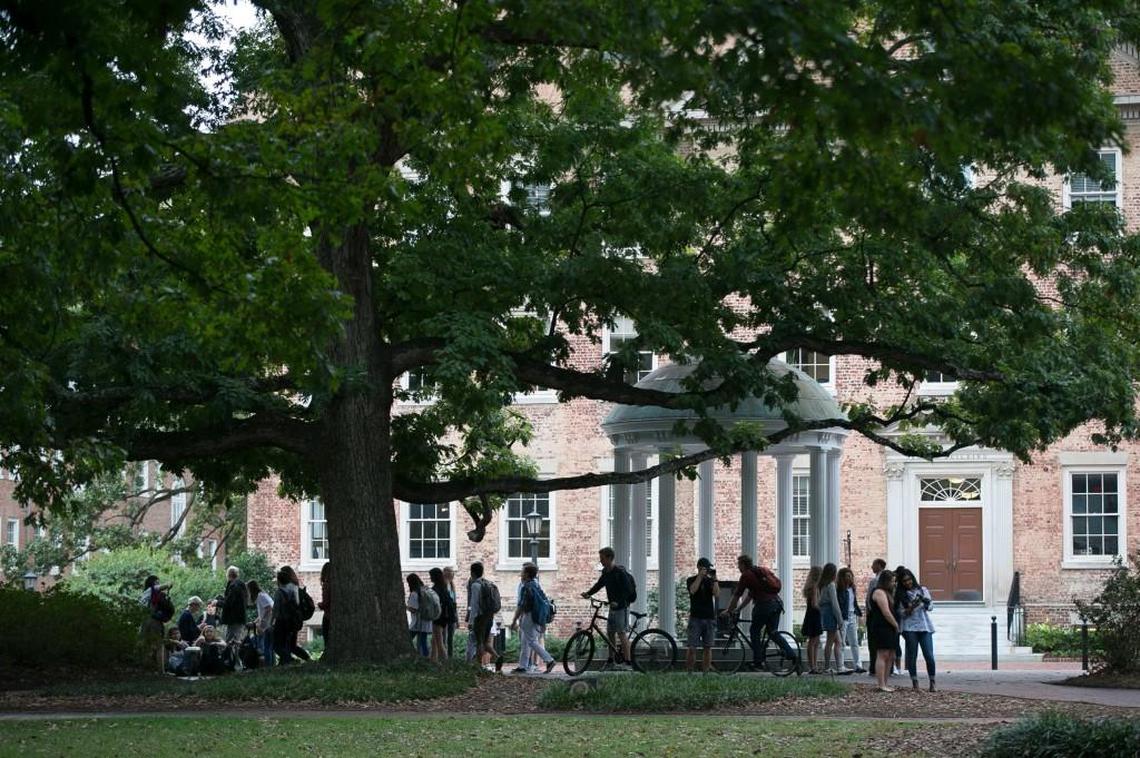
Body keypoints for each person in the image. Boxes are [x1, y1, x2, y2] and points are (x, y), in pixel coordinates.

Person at [722, 554, 796, 670]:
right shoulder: (758, 572)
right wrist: (739, 609)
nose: (738, 567)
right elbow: (750, 596)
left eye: (739, 565)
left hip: (764, 606)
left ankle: (758, 662)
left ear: (743, 564)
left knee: (754, 631)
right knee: (773, 633)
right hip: (777, 604)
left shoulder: (746, 576)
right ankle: (792, 656)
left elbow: (737, 595)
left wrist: (728, 610)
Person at [581, 546, 635, 666]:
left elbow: (628, 590)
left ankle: (628, 661)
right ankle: (611, 659)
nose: (601, 561)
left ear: (610, 558)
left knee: (621, 632)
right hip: (612, 607)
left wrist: (618, 602)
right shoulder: (605, 572)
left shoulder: (619, 572)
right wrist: (588, 593)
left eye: (602, 559)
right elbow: (599, 584)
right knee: (610, 632)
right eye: (600, 559)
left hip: (622, 606)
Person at [509, 563, 557, 674]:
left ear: (527, 574)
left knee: (531, 641)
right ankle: (523, 666)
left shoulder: (526, 587)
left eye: (522, 571)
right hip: (536, 616)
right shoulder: (536, 584)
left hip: (528, 616)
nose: (521, 573)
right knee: (526, 641)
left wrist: (514, 620)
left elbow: (521, 606)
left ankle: (549, 660)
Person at [895, 568, 936, 691]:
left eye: (909, 579)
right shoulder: (900, 595)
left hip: (924, 626)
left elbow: (931, 607)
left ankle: (932, 681)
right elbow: (900, 614)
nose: (908, 583)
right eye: (904, 581)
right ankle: (915, 682)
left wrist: (925, 602)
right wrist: (909, 608)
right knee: (912, 655)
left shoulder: (922, 590)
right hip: (909, 628)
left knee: (929, 655)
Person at [685, 557, 720, 673]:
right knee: (692, 647)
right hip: (695, 617)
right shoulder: (691, 580)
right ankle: (690, 670)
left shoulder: (710, 581)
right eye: (705, 568)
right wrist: (700, 576)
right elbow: (692, 590)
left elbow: (717, 594)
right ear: (699, 567)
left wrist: (715, 580)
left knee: (708, 647)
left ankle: (706, 672)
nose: (707, 571)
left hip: (709, 617)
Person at [868, 570, 900, 692]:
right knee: (883, 654)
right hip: (882, 626)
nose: (894, 583)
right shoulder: (879, 592)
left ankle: (885, 683)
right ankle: (881, 684)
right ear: (886, 581)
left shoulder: (889, 593)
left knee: (891, 655)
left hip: (889, 627)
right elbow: (885, 612)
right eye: (892, 581)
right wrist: (895, 624)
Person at [466, 562, 502, 670]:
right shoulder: (488, 583)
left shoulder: (475, 585)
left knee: (480, 642)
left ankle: (479, 665)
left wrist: (471, 622)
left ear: (472, 572)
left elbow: (474, 605)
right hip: (489, 616)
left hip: (480, 618)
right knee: (485, 642)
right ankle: (497, 657)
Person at [272, 565, 311, 664]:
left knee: (278, 645)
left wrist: (271, 622)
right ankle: (305, 659)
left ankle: (290, 660)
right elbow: (297, 604)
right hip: (294, 621)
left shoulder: (280, 592)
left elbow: (276, 609)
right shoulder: (295, 588)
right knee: (290, 645)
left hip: (282, 621)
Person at [139, 575, 174, 670]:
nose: (158, 583)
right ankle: (161, 670)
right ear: (154, 582)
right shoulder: (151, 590)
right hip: (153, 621)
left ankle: (145, 669)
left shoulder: (144, 594)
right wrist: (169, 584)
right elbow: (164, 586)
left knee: (146, 644)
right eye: (157, 582)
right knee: (159, 645)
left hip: (144, 621)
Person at [836, 568, 864, 673]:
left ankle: (858, 665)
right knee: (842, 642)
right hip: (844, 618)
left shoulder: (852, 588)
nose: (850, 578)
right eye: (847, 576)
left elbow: (854, 603)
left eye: (851, 576)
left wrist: (859, 614)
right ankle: (841, 665)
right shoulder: (839, 590)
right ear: (842, 578)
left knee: (854, 642)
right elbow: (839, 604)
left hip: (852, 617)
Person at [818, 563, 843, 674]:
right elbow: (835, 603)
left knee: (837, 641)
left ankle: (839, 666)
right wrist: (840, 619)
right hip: (831, 614)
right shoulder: (831, 585)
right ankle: (827, 667)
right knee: (830, 641)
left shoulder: (822, 585)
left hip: (825, 612)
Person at [865, 558, 886, 676]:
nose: (871, 567)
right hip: (879, 614)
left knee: (873, 642)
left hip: (875, 615)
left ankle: (874, 667)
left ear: (879, 565)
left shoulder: (875, 581)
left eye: (873, 564)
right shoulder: (882, 579)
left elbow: (868, 598)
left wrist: (868, 611)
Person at [429, 567, 455, 662]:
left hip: (438, 617)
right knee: (434, 641)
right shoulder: (444, 587)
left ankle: (445, 663)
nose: (430, 578)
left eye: (431, 576)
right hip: (444, 616)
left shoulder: (436, 589)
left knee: (439, 642)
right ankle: (433, 660)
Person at [800, 566, 823, 674]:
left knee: (815, 641)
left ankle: (814, 665)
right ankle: (813, 666)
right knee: (813, 641)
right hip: (814, 615)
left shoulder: (811, 587)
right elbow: (814, 604)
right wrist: (823, 608)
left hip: (811, 615)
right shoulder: (815, 587)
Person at [248, 579, 275, 667]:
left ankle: (268, 666)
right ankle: (271, 665)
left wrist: (260, 623)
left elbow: (269, 608)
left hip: (267, 625)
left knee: (267, 647)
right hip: (267, 624)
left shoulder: (260, 596)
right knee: (269, 646)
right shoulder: (262, 595)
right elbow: (262, 613)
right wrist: (254, 622)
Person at [406, 573, 434, 658]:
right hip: (426, 620)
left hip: (417, 623)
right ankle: (424, 657)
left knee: (408, 639)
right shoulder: (425, 590)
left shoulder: (414, 594)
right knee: (423, 641)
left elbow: (414, 609)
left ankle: (425, 657)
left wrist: (406, 607)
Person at [221, 565, 249, 646]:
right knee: (235, 639)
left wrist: (218, 602)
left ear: (228, 574)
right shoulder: (240, 584)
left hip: (234, 619)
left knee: (231, 641)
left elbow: (229, 602)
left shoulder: (234, 585)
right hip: (238, 618)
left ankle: (232, 658)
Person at [442, 566, 458, 658]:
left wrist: (457, 618)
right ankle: (444, 658)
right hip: (445, 616)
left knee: (450, 639)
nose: (452, 575)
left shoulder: (452, 586)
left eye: (452, 574)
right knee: (443, 638)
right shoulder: (443, 585)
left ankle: (450, 657)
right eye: (450, 573)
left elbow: (454, 602)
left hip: (451, 615)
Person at [318, 562, 331, 658]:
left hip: (328, 615)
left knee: (327, 638)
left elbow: (326, 602)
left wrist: (320, 605)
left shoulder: (327, 584)